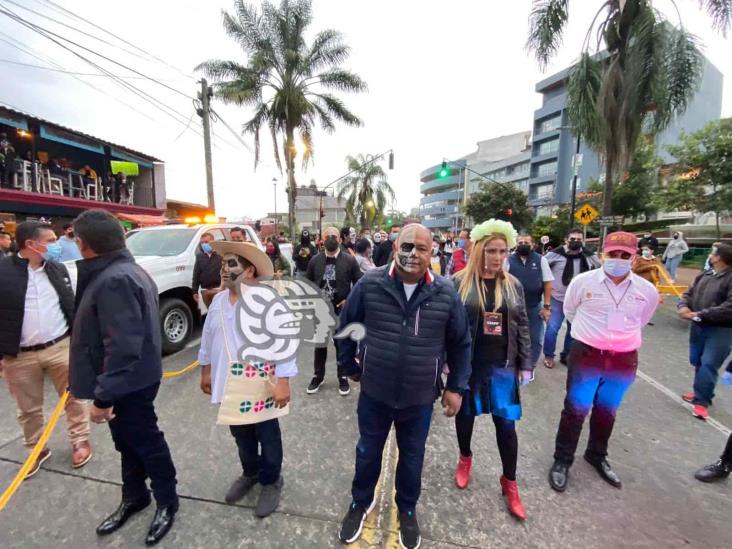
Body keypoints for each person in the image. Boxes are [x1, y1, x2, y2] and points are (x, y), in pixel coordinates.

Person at [336, 224, 472, 549]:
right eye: (407, 246)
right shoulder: (370, 284)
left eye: (421, 248)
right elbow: (347, 326)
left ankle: (407, 509)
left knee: (412, 458)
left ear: (432, 252)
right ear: (396, 247)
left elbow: (461, 343)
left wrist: (456, 387)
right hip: (375, 393)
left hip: (419, 397)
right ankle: (360, 502)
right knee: (368, 452)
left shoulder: (445, 292)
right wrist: (347, 366)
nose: (412, 254)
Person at [69, 209, 178, 545]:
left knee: (146, 441)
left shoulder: (115, 278)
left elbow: (123, 346)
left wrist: (103, 398)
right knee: (126, 442)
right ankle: (135, 495)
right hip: (128, 379)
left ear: (84, 244)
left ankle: (167, 500)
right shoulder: (120, 270)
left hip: (129, 382)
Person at [548, 232, 658, 492]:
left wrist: (616, 340)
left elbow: (642, 319)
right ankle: (562, 460)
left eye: (625, 255)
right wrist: (593, 335)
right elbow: (570, 311)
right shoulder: (583, 282)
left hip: (623, 358)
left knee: (607, 409)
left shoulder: (647, 290)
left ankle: (597, 455)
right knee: (576, 408)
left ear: (634, 257)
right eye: (613, 254)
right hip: (587, 354)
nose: (618, 260)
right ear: (603, 255)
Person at [198, 240, 296, 517]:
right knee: (240, 433)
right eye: (223, 264)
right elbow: (209, 335)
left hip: (260, 382)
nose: (224, 270)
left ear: (250, 271)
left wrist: (284, 381)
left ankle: (271, 479)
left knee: (267, 433)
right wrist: (205, 369)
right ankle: (250, 472)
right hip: (228, 382)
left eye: (231, 264)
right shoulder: (217, 301)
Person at [452, 220, 532, 520]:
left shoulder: (513, 285)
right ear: (477, 252)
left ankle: (509, 483)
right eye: (491, 251)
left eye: (502, 251)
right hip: (469, 366)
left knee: (506, 428)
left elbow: (522, 323)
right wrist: (448, 362)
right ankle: (465, 458)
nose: (497, 257)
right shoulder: (458, 282)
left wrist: (527, 363)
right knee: (466, 417)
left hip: (503, 367)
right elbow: (450, 326)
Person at [0, 221, 92, 476]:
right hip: (19, 355)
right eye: (51, 241)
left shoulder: (56, 268)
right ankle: (36, 448)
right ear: (31, 244)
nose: (56, 244)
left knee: (74, 397)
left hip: (61, 346)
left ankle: (80, 439)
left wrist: (79, 340)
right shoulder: (4, 271)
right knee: (28, 408)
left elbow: (70, 304)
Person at [677, 243, 732, 420]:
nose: (711, 255)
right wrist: (683, 306)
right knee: (697, 360)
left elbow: (729, 307)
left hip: (721, 330)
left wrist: (699, 314)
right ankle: (702, 392)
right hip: (698, 325)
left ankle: (701, 402)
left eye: (714, 253)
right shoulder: (706, 275)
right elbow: (689, 293)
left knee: (709, 363)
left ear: (720, 258)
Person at [305, 226, 362, 396]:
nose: (331, 238)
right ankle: (318, 376)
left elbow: (359, 283)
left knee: (341, 345)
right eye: (328, 235)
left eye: (334, 236)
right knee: (320, 344)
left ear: (340, 239)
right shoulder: (315, 261)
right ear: (322, 239)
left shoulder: (349, 260)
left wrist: (349, 299)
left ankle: (343, 376)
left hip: (341, 310)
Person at [542, 229, 601, 368]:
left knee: (573, 330)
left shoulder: (587, 255)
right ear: (566, 240)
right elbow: (542, 266)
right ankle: (549, 355)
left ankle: (567, 356)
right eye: (573, 239)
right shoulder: (556, 254)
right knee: (552, 328)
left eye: (579, 240)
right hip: (558, 298)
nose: (576, 242)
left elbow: (600, 267)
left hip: (578, 300)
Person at [505, 233, 554, 369]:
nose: (523, 245)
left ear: (532, 245)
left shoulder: (540, 260)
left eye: (526, 243)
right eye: (520, 243)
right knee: (513, 336)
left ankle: (530, 364)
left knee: (535, 338)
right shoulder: (508, 260)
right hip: (513, 306)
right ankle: (514, 361)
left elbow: (548, 284)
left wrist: (546, 306)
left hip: (534, 306)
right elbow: (501, 282)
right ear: (516, 244)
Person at [192, 232, 222, 308]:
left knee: (219, 312)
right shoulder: (199, 257)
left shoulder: (221, 255)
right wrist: (194, 291)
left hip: (218, 290)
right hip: (205, 291)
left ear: (213, 242)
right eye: (202, 243)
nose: (204, 244)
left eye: (206, 242)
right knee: (209, 314)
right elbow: (196, 274)